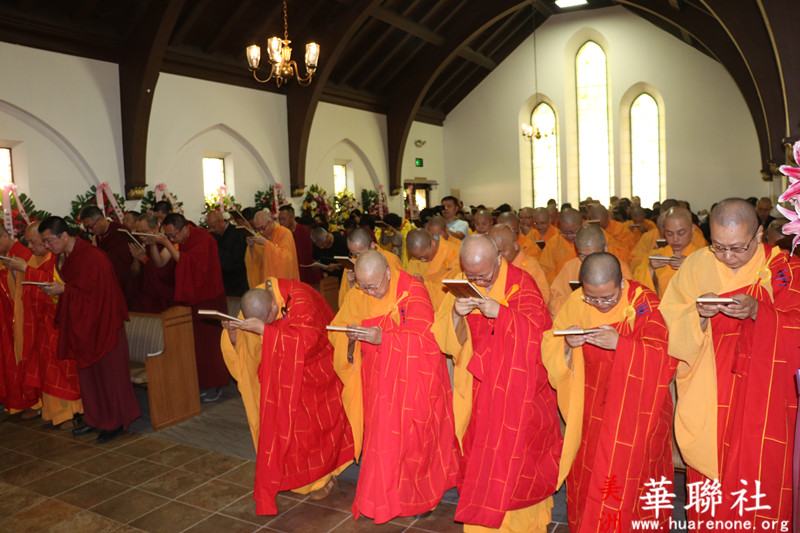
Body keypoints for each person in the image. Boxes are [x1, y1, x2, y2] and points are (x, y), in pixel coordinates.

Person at [660, 198, 800, 528]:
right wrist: (698, 315)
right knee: (710, 488)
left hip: (763, 401)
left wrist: (758, 313)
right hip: (708, 391)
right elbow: (669, 322)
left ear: (760, 234)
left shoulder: (784, 271)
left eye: (737, 248)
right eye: (719, 247)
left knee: (757, 477)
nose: (727, 257)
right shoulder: (696, 265)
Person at [432, 235, 561, 532]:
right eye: (471, 275)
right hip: (478, 390)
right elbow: (443, 338)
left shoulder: (522, 284)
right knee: (480, 455)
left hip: (521, 393)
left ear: (499, 260)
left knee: (521, 462)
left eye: (484, 275)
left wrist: (501, 313)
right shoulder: (459, 283)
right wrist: (455, 314)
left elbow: (541, 337)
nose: (478, 281)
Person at [542, 252, 676, 531]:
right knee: (591, 477)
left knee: (633, 484)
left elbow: (664, 357)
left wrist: (621, 344)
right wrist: (568, 345)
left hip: (637, 414)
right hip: (591, 410)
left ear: (623, 284)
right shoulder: (576, 301)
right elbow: (552, 341)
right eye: (592, 298)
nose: (599, 305)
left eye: (608, 298)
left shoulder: (644, 304)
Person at [329, 251, 458, 524]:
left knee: (414, 441)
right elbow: (336, 330)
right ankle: (380, 497)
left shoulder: (412, 290)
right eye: (363, 286)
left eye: (374, 286)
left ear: (388, 272)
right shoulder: (359, 294)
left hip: (414, 382)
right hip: (377, 384)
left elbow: (426, 340)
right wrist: (351, 339)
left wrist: (384, 338)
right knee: (382, 443)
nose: (370, 292)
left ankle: (419, 497)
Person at [220, 285, 355, 515]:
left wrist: (266, 330)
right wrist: (235, 336)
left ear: (274, 304)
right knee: (285, 429)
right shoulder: (257, 300)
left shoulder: (300, 300)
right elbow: (252, 347)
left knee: (312, 429)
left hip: (314, 371)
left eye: (271, 317)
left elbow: (308, 342)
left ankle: (322, 478)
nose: (270, 321)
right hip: (281, 372)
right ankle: (299, 478)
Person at [38, 216, 140, 442]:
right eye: (44, 242)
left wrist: (65, 291)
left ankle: (114, 422)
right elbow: (78, 289)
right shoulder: (67, 256)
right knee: (89, 378)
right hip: (84, 324)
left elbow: (99, 295)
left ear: (64, 236)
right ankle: (95, 420)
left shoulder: (92, 257)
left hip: (104, 326)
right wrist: (64, 290)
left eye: (49, 241)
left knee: (108, 377)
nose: (47, 246)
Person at [3, 222, 83, 429]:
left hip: (57, 322)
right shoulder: (35, 259)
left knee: (62, 371)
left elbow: (55, 286)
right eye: (28, 242)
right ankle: (53, 412)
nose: (30, 246)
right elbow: (22, 292)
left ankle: (71, 413)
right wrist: (21, 270)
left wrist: (26, 270)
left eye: (35, 242)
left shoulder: (57, 258)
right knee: (46, 371)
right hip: (40, 323)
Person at [145, 213, 230, 399]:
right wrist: (153, 244)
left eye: (174, 235)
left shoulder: (203, 239)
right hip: (192, 298)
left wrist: (167, 243)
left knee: (210, 345)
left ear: (185, 228)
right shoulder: (177, 240)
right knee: (194, 345)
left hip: (209, 297)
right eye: (168, 236)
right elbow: (160, 263)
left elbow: (189, 264)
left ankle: (215, 385)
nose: (172, 239)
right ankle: (200, 382)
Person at [549, 225, 633, 317]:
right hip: (578, 318)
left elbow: (628, 300)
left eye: (593, 254)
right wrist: (581, 299)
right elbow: (555, 301)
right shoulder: (570, 267)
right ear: (577, 251)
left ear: (605, 248)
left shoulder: (618, 267)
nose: (588, 260)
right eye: (583, 255)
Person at [0, 225, 36, 417]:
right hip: (8, 317)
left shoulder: (20, 254)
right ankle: (17, 401)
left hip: (21, 316)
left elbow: (25, 289)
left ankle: (32, 403)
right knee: (10, 360)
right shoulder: (6, 255)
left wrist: (13, 271)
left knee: (24, 358)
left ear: (5, 236)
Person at [633, 207, 701, 297]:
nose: (675, 239)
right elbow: (637, 288)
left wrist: (691, 266)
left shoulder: (703, 257)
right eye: (669, 233)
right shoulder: (655, 256)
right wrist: (650, 269)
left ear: (692, 229)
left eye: (681, 233)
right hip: (660, 309)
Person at [78, 205, 136, 307]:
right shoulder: (98, 236)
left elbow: (124, 262)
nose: (89, 231)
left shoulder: (120, 232)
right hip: (106, 285)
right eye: (86, 228)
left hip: (123, 285)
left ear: (100, 219)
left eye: (90, 227)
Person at [337, 228, 402, 307]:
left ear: (372, 246)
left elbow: (399, 291)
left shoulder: (391, 260)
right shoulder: (351, 264)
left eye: (359, 254)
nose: (357, 258)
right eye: (353, 254)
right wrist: (352, 282)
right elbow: (346, 302)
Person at [487, 223, 550, 304]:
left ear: (515, 246)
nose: (496, 257)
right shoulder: (489, 264)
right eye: (492, 253)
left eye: (500, 252)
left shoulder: (531, 267)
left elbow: (542, 299)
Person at [405, 228, 461, 310]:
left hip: (445, 313)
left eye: (425, 257)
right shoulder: (416, 260)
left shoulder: (456, 254)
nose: (422, 261)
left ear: (433, 243)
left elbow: (452, 294)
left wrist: (424, 284)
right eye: (418, 258)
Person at [246, 210, 299, 287]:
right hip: (265, 281)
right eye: (258, 229)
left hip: (281, 283)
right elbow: (256, 262)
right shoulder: (259, 236)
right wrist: (251, 247)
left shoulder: (285, 233)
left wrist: (266, 243)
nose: (261, 232)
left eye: (263, 228)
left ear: (270, 221)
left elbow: (287, 257)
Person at [206, 210, 248, 297]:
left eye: (213, 227)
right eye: (209, 227)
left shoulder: (237, 233)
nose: (211, 230)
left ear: (221, 221)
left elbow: (236, 260)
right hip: (222, 283)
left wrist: (217, 250)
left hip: (238, 281)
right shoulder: (213, 236)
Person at [278, 204, 319, 287]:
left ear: (292, 217)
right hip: (289, 275)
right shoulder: (280, 234)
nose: (281, 222)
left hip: (306, 275)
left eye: (283, 219)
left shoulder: (305, 232)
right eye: (279, 219)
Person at [540, 208, 582, 283]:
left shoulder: (593, 239)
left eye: (573, 232)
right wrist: (562, 282)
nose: (569, 236)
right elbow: (546, 270)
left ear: (582, 224)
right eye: (564, 232)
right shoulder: (553, 243)